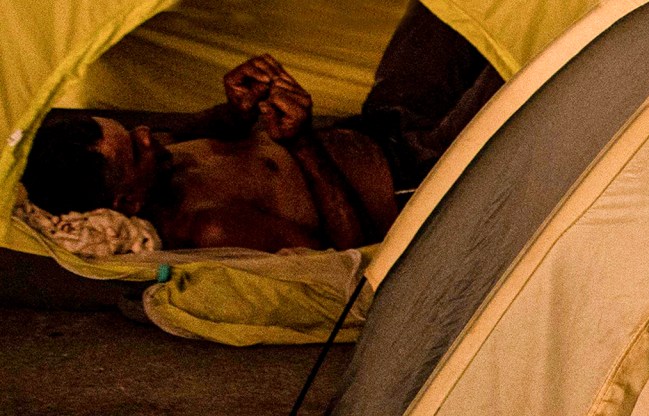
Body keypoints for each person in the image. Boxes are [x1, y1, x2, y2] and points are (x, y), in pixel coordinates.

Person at [19, 2, 499, 252]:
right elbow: (349, 246)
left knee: (446, 10)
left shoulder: (157, 159)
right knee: (526, 71)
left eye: (136, 131)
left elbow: (215, 126)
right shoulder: (210, 226)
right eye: (137, 150)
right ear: (128, 202)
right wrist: (304, 143)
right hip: (425, 172)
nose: (147, 135)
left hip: (381, 124)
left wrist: (239, 102)